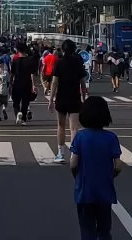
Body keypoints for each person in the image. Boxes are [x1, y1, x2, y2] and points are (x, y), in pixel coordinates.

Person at [70, 95, 124, 240]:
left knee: (87, 229)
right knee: (104, 229)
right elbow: (118, 165)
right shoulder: (111, 137)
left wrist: (76, 175)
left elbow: (73, 163)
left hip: (84, 190)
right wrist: (111, 175)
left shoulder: (80, 137)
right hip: (105, 191)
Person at [50, 37, 89, 163]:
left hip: (61, 97)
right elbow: (83, 83)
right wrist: (84, 98)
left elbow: (55, 82)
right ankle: (74, 154)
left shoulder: (59, 62)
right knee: (74, 128)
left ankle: (60, 153)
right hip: (74, 97)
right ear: (74, 50)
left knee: (60, 125)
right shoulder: (78, 62)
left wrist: (51, 99)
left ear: (62, 49)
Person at [11, 41, 38, 123]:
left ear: (18, 50)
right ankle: (23, 119)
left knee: (16, 101)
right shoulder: (30, 60)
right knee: (25, 101)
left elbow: (12, 74)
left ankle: (18, 113)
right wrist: (33, 85)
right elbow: (32, 74)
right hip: (27, 83)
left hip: (17, 82)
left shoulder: (15, 61)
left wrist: (10, 83)